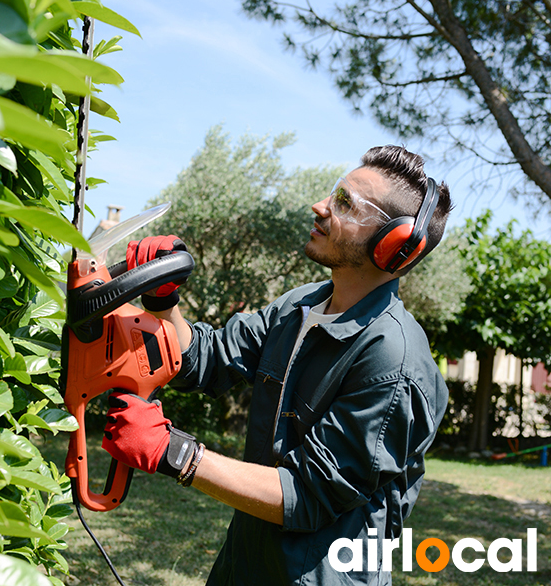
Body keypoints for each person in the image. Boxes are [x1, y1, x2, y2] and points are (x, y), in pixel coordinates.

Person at [102, 145, 453, 585]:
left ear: (393, 245)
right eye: (333, 193)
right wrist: (163, 300)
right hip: (244, 564)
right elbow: (207, 358)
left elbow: (306, 494)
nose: (320, 206)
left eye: (345, 203)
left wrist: (176, 453)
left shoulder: (394, 360)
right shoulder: (300, 306)